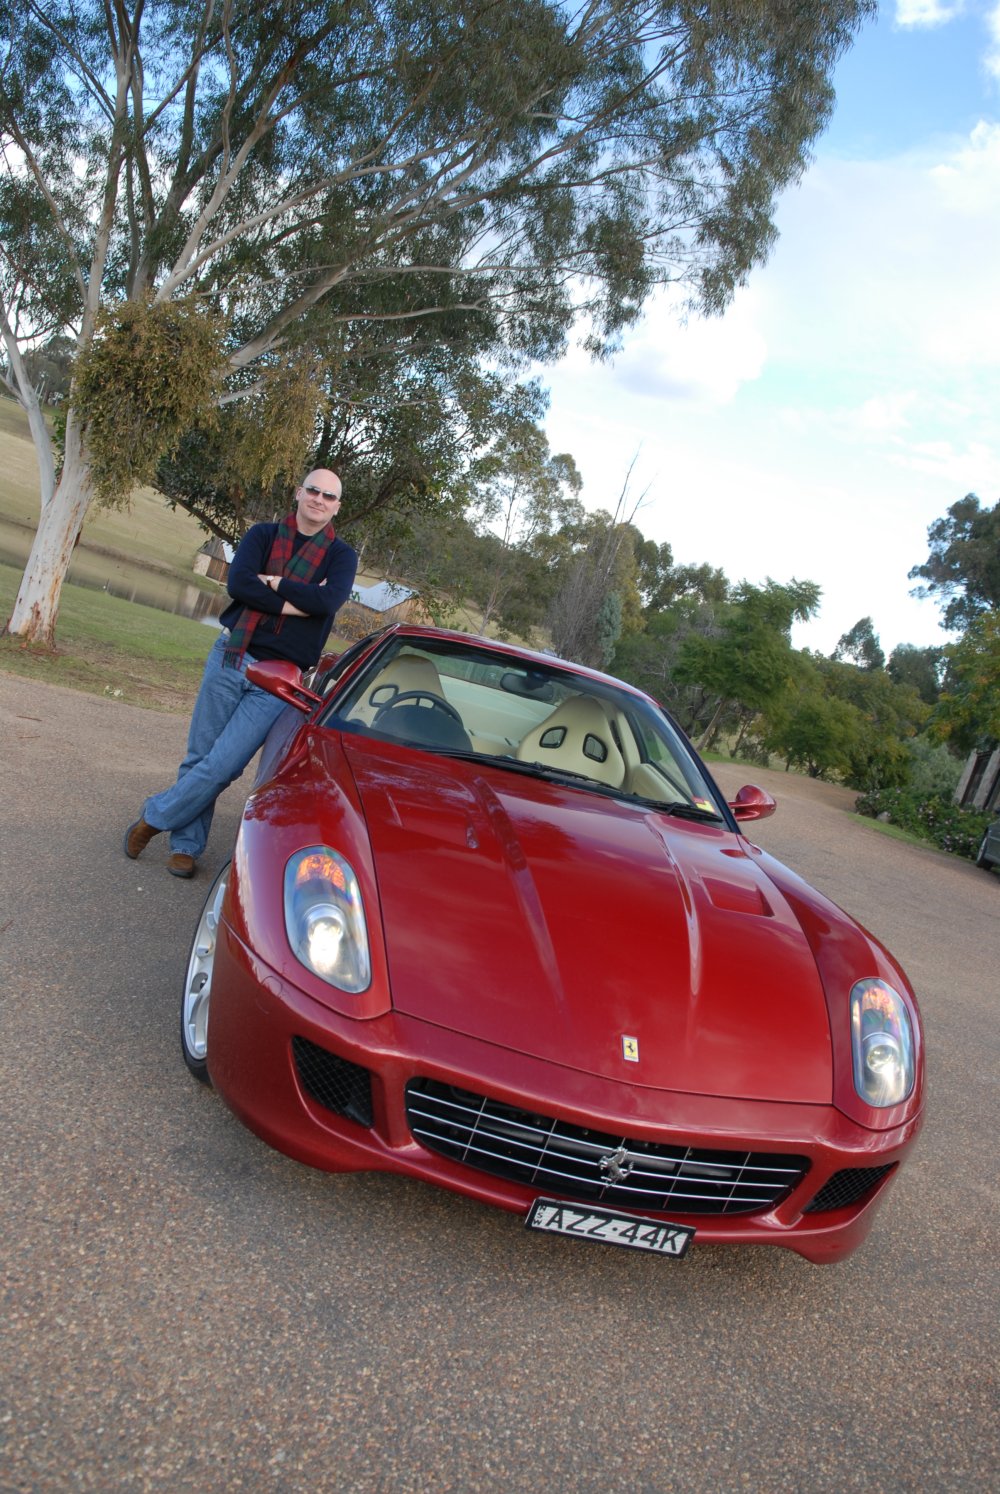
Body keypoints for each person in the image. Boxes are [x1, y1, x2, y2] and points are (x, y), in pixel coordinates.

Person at [124, 468, 357, 878]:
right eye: (314, 491)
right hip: (232, 654)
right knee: (200, 757)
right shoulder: (262, 536)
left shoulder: (341, 557)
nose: (319, 499)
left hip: (279, 678)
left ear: (337, 506)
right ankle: (187, 846)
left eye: (329, 496)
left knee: (223, 766)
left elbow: (328, 601)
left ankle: (153, 816)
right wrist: (295, 601)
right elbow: (239, 586)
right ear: (299, 493)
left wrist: (275, 584)